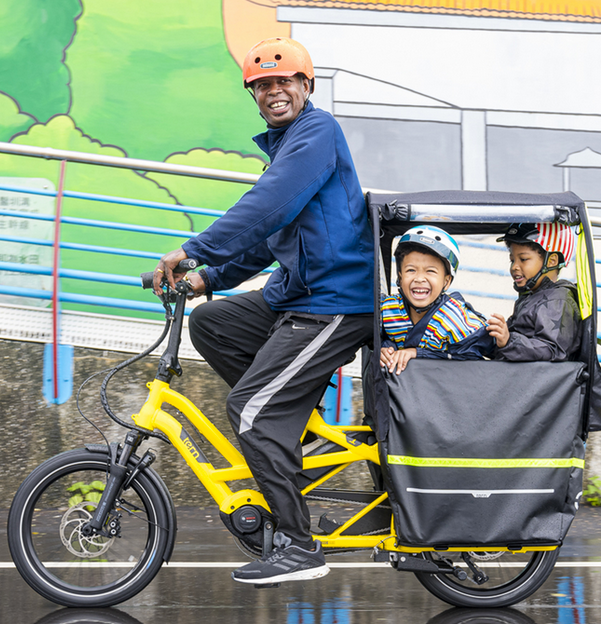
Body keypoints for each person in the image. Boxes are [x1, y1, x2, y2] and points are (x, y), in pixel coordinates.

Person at [152, 37, 373, 585]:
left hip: (336, 301)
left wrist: (193, 249)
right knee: (213, 321)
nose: (274, 91)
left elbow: (271, 202)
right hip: (294, 296)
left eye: (284, 81)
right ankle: (293, 426)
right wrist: (208, 278)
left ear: (306, 86)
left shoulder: (317, 133)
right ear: (253, 94)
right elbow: (269, 233)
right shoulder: (288, 144)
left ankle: (300, 547)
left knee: (251, 409)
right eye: (262, 85)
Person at [380, 225, 493, 374]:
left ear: (446, 282)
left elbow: (472, 363)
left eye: (430, 271)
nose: (419, 278)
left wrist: (417, 354)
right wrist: (385, 349)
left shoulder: (456, 318)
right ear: (400, 277)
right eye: (411, 270)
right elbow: (375, 337)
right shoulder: (387, 309)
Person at [487, 222, 581, 361]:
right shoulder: (531, 297)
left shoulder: (557, 300)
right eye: (512, 260)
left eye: (523, 259)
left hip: (533, 380)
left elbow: (551, 350)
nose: (514, 267)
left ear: (552, 261)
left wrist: (509, 341)